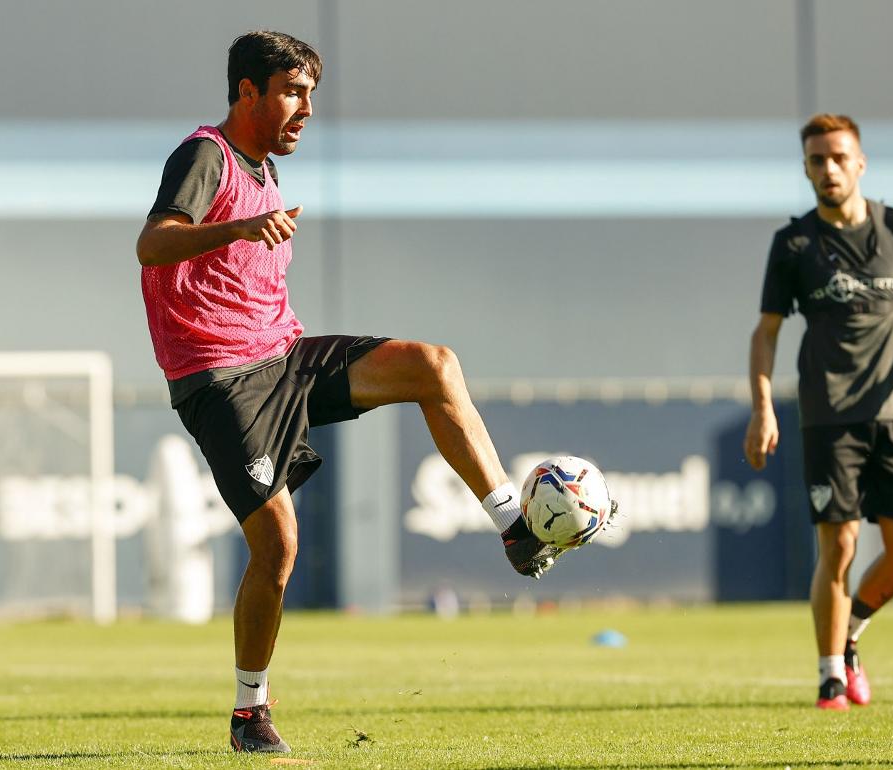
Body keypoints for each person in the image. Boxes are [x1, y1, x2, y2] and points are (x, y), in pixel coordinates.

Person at [136, 30, 579, 753]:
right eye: (292, 92)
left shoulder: (266, 168)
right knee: (277, 546)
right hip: (220, 379)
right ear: (247, 92)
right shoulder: (205, 156)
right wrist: (240, 225)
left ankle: (513, 525)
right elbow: (153, 244)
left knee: (434, 364)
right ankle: (251, 710)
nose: (306, 109)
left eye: (311, 94)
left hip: (283, 357)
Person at [744, 114, 893, 711]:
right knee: (837, 547)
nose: (829, 169)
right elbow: (765, 334)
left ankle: (851, 635)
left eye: (839, 157)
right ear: (807, 169)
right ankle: (829, 676)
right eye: (817, 160)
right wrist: (763, 408)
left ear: (860, 162)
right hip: (828, 417)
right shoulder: (793, 244)